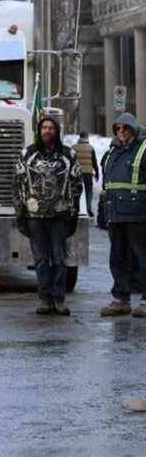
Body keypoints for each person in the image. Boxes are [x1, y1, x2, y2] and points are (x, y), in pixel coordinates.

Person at [13, 115, 82, 316]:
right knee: (41, 260)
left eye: (51, 128)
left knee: (60, 259)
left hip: (59, 217)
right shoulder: (27, 154)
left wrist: (74, 214)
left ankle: (59, 300)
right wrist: (20, 214)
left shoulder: (68, 155)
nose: (47, 131)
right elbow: (18, 185)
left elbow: (76, 186)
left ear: (57, 131)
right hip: (35, 217)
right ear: (39, 131)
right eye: (44, 128)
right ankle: (45, 299)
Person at [100, 113, 146, 318]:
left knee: (142, 258)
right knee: (117, 259)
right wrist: (103, 211)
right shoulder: (112, 152)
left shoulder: (143, 150)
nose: (121, 133)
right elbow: (107, 185)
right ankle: (121, 299)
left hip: (138, 215)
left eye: (125, 129)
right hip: (116, 215)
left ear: (133, 130)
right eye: (118, 129)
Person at [72, 131, 99, 217]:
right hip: (88, 172)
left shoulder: (74, 147)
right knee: (88, 191)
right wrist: (97, 172)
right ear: (87, 137)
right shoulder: (90, 148)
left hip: (77, 173)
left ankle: (76, 208)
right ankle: (89, 208)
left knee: (76, 191)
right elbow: (94, 162)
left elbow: (71, 161)